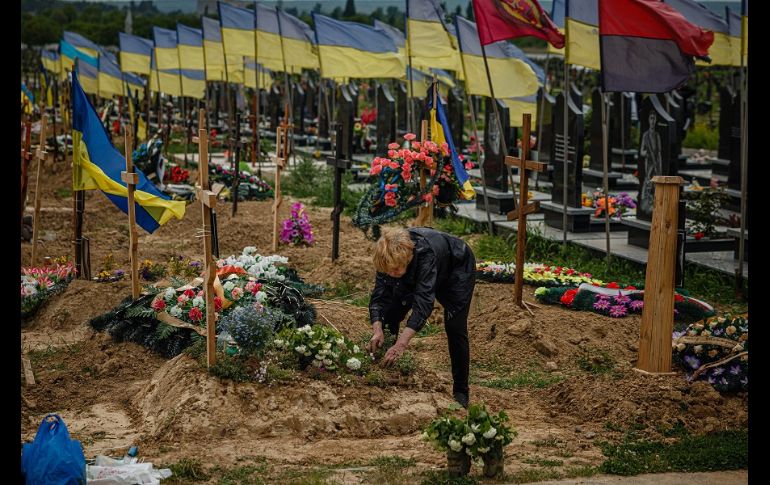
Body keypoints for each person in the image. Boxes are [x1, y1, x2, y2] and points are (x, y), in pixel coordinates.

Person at [366, 227, 476, 408]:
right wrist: (377, 330)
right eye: (388, 271)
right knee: (391, 313)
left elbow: (423, 305)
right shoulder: (386, 258)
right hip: (419, 269)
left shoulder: (424, 255)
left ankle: (461, 391)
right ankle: (386, 367)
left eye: (395, 270)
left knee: (455, 327)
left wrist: (401, 345)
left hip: (456, 268)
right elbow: (379, 297)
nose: (391, 274)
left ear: (407, 258)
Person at [639, 110, 662, 217]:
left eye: (654, 118)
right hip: (648, 163)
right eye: (651, 118)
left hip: (656, 163)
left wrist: (659, 165)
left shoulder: (657, 135)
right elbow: (641, 151)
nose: (652, 121)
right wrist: (647, 153)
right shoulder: (645, 135)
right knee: (647, 183)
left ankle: (656, 203)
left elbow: (659, 152)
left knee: (656, 184)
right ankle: (646, 203)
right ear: (648, 120)